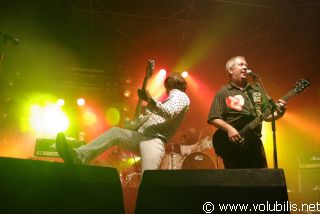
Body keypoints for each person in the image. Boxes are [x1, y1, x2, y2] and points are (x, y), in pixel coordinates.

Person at [56, 72, 190, 172]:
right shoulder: (168, 100)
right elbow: (143, 118)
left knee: (148, 181)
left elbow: (170, 111)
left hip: (154, 141)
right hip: (143, 137)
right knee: (115, 133)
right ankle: (79, 156)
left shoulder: (180, 95)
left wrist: (150, 100)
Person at [207, 56, 286, 169]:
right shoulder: (223, 92)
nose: (245, 67)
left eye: (246, 65)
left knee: (262, 180)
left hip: (254, 144)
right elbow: (213, 118)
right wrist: (230, 129)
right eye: (241, 64)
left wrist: (280, 113)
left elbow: (267, 116)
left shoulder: (257, 91)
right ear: (230, 70)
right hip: (233, 146)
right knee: (237, 182)